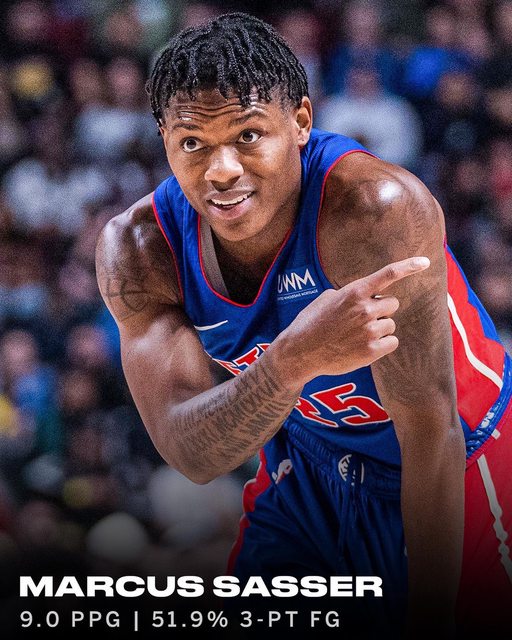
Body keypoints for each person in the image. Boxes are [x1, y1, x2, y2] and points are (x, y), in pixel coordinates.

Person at [95, 13, 511, 638]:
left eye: (248, 135)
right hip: (308, 465)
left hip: (459, 459)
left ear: (301, 122)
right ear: (164, 141)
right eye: (193, 143)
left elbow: (431, 429)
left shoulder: (373, 212)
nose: (221, 169)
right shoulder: (139, 250)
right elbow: (192, 455)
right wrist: (293, 360)